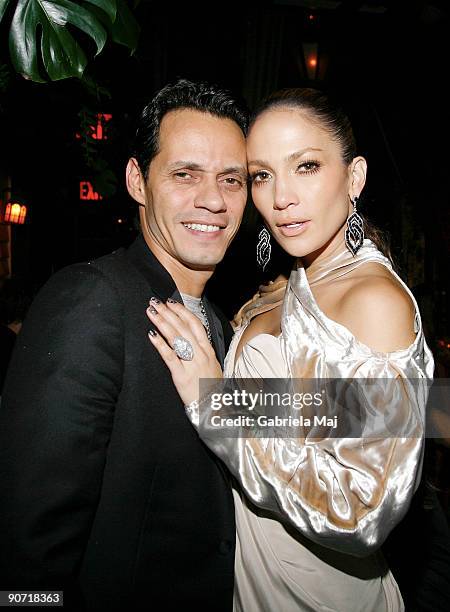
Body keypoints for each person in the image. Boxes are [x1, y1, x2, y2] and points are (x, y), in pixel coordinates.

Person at [145, 88, 434, 611]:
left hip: (318, 593)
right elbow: (321, 412)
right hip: (252, 575)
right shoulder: (294, 280)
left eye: (305, 166)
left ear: (355, 177)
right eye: (262, 175)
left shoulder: (373, 299)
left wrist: (217, 403)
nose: (281, 198)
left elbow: (362, 509)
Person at [0, 79, 248, 611]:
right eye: (185, 175)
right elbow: (30, 540)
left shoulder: (225, 326)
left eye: (232, 180)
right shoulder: (94, 300)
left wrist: (413, 406)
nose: (213, 200)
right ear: (138, 181)